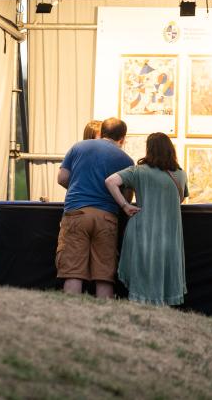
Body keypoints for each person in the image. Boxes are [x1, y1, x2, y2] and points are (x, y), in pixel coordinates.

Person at [105, 132, 188, 306]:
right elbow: (180, 198)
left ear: (149, 149)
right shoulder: (180, 174)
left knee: (142, 274)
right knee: (164, 275)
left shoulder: (138, 171)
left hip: (143, 232)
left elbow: (110, 181)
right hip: (170, 235)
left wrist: (125, 205)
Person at [56, 117, 134, 298]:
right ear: (122, 138)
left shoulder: (78, 147)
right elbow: (127, 195)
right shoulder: (126, 160)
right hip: (107, 216)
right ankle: (103, 318)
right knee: (104, 274)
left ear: (102, 131)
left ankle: (71, 314)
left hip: (77, 213)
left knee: (73, 270)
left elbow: (62, 178)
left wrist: (79, 187)